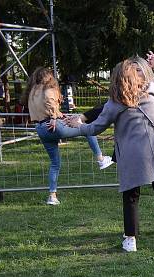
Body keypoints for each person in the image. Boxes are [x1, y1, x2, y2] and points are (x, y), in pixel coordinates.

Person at [73, 52, 154, 252]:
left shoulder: (116, 101)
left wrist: (78, 125)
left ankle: (131, 240)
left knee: (131, 196)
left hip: (131, 156)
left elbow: (95, 128)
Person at [22, 67, 113, 206]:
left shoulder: (32, 92)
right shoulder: (48, 89)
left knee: (55, 163)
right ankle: (101, 159)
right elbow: (50, 102)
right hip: (53, 126)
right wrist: (53, 117)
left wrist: (60, 116)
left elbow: (45, 109)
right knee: (86, 128)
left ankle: (52, 196)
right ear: (48, 77)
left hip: (40, 128)